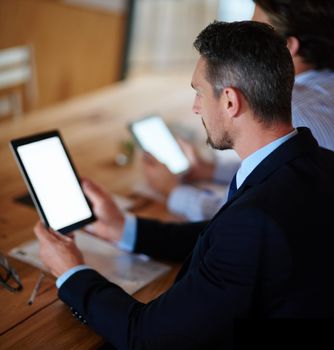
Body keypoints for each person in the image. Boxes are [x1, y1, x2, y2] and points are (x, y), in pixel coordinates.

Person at [34, 21, 334, 349]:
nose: (195, 107)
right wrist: (125, 228)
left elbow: (144, 336)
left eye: (199, 91)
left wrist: (71, 272)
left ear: (230, 102)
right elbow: (223, 236)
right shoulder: (316, 163)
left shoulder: (254, 222)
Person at [142, 0, 334, 221]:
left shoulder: (291, 110)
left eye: (258, 30)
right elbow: (270, 165)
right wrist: (209, 170)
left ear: (287, 48)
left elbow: (239, 216)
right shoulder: (326, 87)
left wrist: (172, 192)